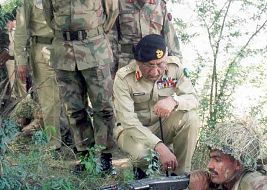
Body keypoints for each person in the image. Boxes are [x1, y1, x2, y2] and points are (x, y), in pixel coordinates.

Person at [42, 0, 119, 170]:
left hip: (94, 49)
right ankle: (86, 157)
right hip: (64, 51)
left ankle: (105, 157)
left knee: (104, 107)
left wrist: (92, 33)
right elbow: (49, 16)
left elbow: (112, 11)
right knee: (74, 109)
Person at [113, 34, 200, 178]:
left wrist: (174, 101)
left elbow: (193, 98)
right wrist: (159, 146)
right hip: (132, 132)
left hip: (162, 126)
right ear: (138, 62)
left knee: (190, 117)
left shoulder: (175, 67)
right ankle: (142, 175)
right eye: (148, 65)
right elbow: (128, 121)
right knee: (144, 155)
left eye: (160, 64)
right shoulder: (123, 78)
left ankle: (179, 176)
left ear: (166, 58)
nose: (155, 72)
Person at [14, 0, 66, 149]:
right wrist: (21, 60)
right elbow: (21, 31)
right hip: (44, 50)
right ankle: (54, 143)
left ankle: (75, 140)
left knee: (71, 97)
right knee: (50, 101)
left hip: (68, 48)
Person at [188, 121, 267, 190]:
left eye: (217, 159)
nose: (209, 165)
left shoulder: (257, 184)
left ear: (238, 164)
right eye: (211, 158)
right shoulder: (224, 181)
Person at [110, 0, 182, 77]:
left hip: (155, 64)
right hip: (127, 62)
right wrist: (112, 69)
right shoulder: (119, 3)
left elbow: (171, 39)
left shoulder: (160, 5)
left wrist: (179, 66)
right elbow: (112, 39)